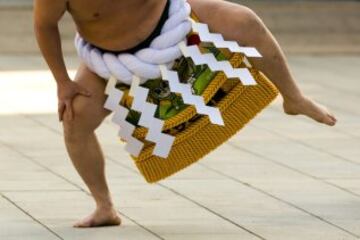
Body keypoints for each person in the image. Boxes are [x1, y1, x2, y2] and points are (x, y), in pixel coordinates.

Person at [33, 0, 337, 228]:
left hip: (173, 22)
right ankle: (104, 207)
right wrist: (62, 82)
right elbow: (44, 25)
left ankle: (294, 98)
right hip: (108, 57)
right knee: (75, 118)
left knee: (243, 20)